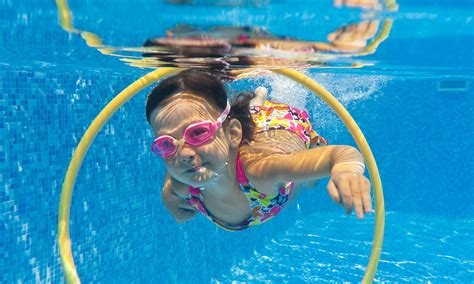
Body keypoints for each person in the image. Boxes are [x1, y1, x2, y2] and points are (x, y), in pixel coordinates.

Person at [146, 70, 372, 231]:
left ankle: (260, 103)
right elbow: (179, 161)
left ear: (233, 135)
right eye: (166, 143)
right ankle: (256, 103)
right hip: (241, 130)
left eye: (197, 133)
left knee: (309, 182)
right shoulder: (183, 181)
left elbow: (340, 154)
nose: (184, 154)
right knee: (248, 117)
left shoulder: (260, 171)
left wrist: (347, 170)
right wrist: (167, 195)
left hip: (283, 128)